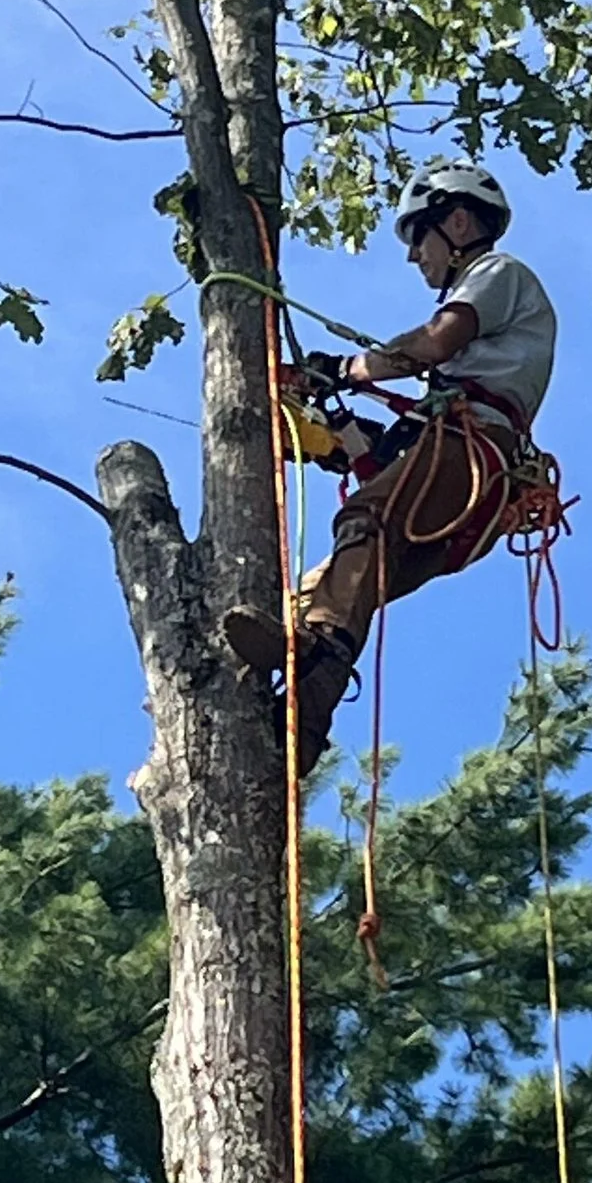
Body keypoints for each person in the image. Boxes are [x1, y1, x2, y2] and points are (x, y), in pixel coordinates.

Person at [225, 158, 557, 770]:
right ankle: (297, 718)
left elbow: (433, 344)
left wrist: (344, 370)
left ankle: (316, 677)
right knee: (331, 586)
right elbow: (385, 466)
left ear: (458, 222)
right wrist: (332, 437)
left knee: (364, 522)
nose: (414, 259)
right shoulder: (449, 402)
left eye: (418, 239)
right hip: (459, 493)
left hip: (469, 454)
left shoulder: (497, 272)